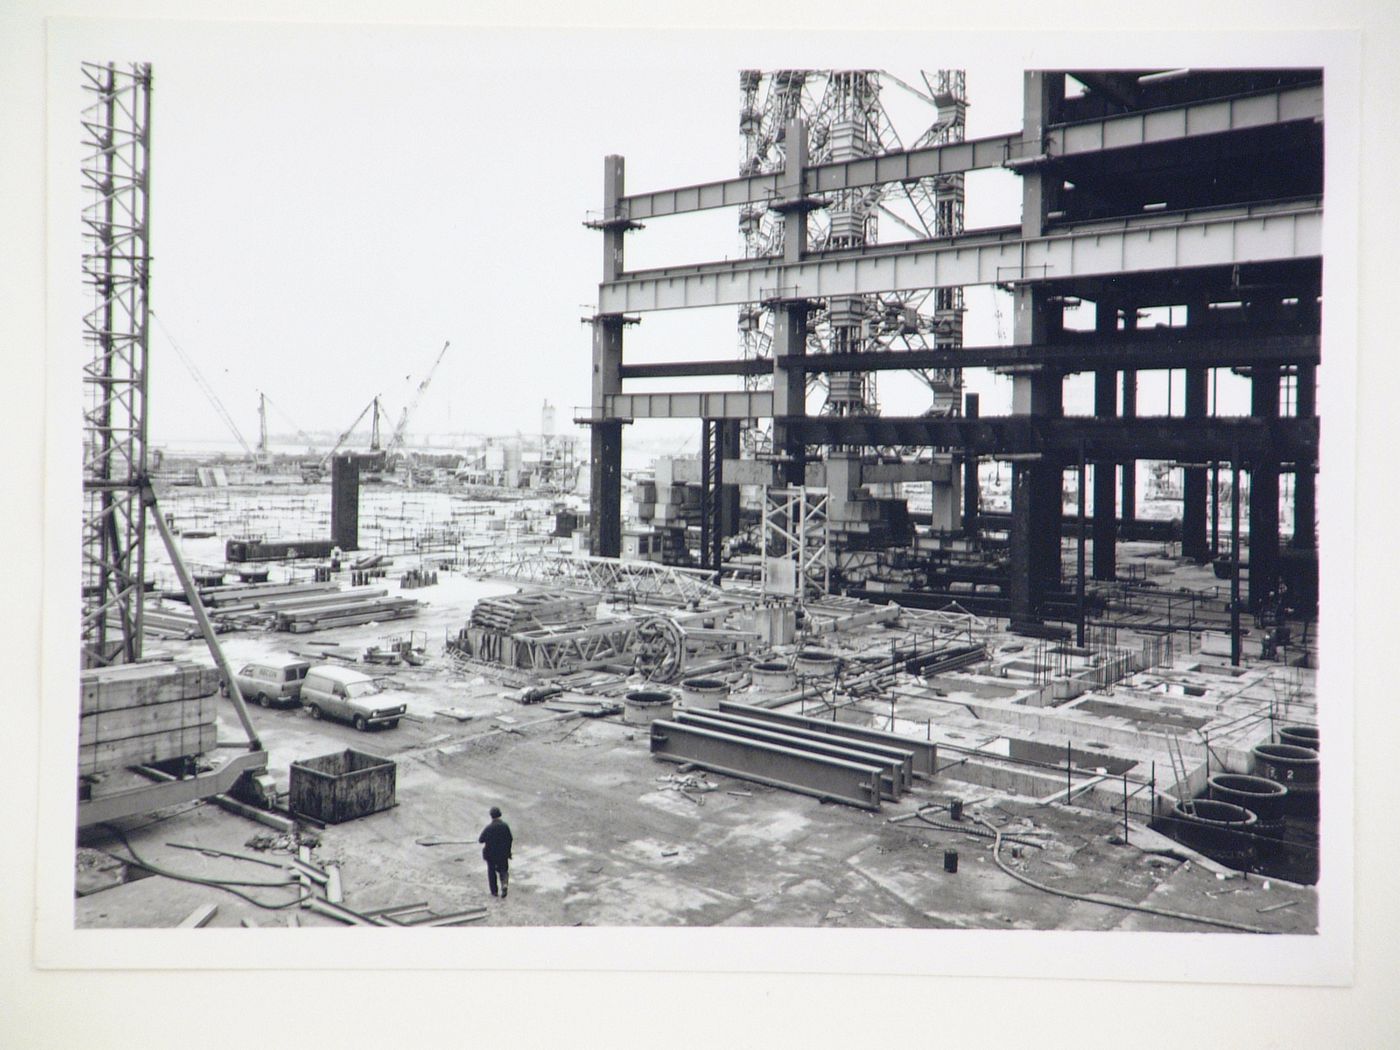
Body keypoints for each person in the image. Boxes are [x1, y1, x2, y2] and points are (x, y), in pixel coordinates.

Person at [477, 805, 513, 899]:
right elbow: (510, 839)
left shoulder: (489, 828)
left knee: (491, 872)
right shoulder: (505, 826)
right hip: (503, 853)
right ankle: (504, 884)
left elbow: (481, 840)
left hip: (491, 855)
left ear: (491, 816)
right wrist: (508, 851)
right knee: (504, 870)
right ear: (500, 815)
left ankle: (494, 892)